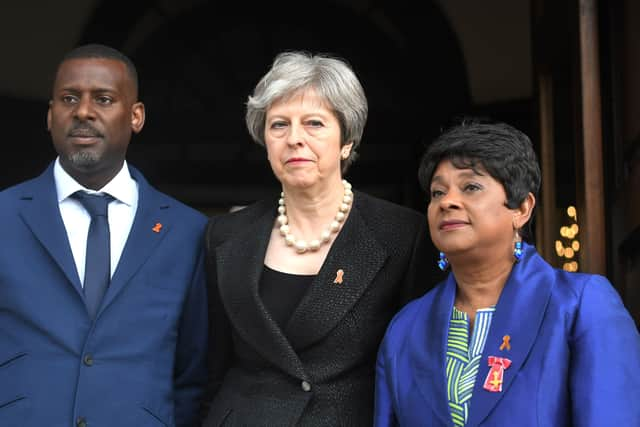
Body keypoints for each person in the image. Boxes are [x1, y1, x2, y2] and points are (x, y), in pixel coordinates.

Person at [201, 51, 432, 426]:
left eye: (314, 123)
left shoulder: (402, 234)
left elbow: (415, 368)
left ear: (346, 141)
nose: (294, 139)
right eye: (279, 125)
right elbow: (212, 365)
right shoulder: (224, 236)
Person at [374, 120, 640, 426]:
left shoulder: (579, 305)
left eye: (470, 187)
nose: (447, 202)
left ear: (522, 209)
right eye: (437, 192)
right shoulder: (405, 328)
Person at [0, 44, 208, 427]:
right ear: (50, 116)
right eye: (68, 98)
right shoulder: (4, 216)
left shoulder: (187, 232)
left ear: (136, 116)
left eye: (104, 99)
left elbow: (193, 375)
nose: (82, 111)